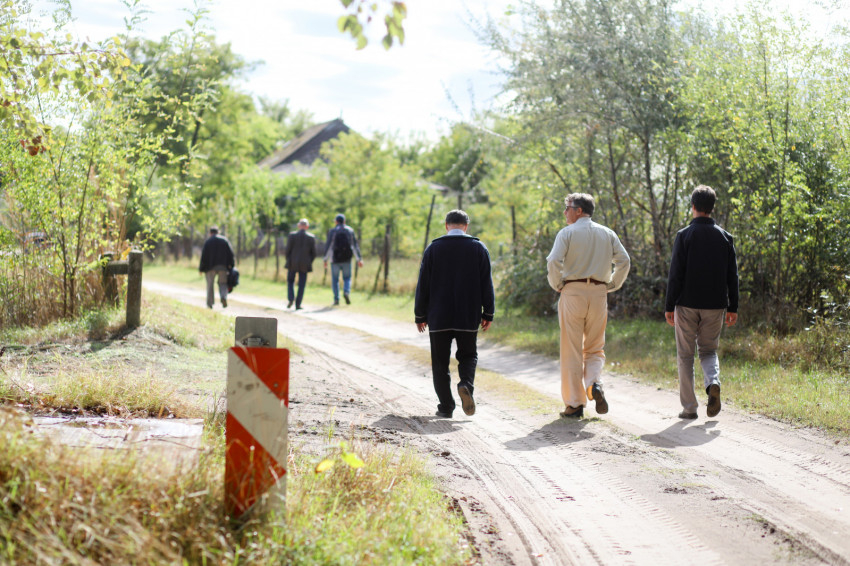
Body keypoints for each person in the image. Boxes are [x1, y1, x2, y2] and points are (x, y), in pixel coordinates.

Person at [546, 193, 630, 419]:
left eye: (567, 207)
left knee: (572, 349)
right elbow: (624, 261)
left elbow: (553, 261)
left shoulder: (567, 233)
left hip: (572, 291)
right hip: (599, 293)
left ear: (579, 210)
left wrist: (557, 284)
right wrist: (611, 285)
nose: (565, 212)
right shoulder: (607, 233)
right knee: (594, 347)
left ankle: (574, 404)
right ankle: (594, 384)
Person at [665, 185, 739, 420]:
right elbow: (732, 275)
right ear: (712, 207)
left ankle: (689, 408)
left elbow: (675, 274)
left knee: (685, 355)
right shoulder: (725, 237)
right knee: (708, 350)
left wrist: (669, 306)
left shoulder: (684, 235)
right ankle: (712, 382)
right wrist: (733, 307)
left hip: (686, 304)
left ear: (693, 206)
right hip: (715, 305)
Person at [415, 210, 495, 419]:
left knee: (440, 362)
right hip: (467, 314)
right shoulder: (478, 248)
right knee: (468, 355)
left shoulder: (433, 249)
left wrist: (420, 315)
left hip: (438, 315)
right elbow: (486, 283)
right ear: (466, 226)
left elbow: (423, 284)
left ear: (446, 225)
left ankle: (446, 406)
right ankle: (465, 384)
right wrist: (488, 312)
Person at [323, 213, 363, 306]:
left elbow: (328, 246)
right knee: (347, 278)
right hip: (347, 259)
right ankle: (346, 292)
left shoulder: (333, 231)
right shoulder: (350, 230)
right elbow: (355, 246)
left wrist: (325, 259)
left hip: (334, 260)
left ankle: (336, 299)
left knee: (335, 280)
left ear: (336, 222)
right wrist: (359, 259)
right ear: (344, 221)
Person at [199, 225, 235, 309]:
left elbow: (204, 256)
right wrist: (231, 265)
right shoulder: (224, 240)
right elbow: (231, 254)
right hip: (223, 267)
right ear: (218, 232)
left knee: (210, 285)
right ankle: (223, 297)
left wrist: (201, 268)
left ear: (210, 233)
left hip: (210, 268)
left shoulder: (208, 242)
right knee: (223, 283)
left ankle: (210, 304)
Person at [285, 218, 318, 310]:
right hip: (305, 264)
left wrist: (289, 260)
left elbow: (287, 250)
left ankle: (291, 298)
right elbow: (314, 253)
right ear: (307, 227)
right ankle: (298, 304)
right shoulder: (311, 237)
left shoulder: (292, 236)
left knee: (290, 281)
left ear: (299, 226)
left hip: (292, 263)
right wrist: (309, 261)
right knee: (301, 285)